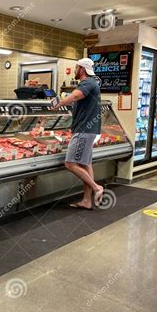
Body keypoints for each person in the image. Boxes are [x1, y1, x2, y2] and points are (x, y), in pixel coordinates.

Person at [53, 58, 104, 209]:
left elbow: (75, 96)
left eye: (76, 68)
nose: (74, 70)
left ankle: (96, 188)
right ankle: (87, 201)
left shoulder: (87, 82)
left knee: (70, 163)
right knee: (85, 164)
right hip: (88, 130)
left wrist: (59, 103)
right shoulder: (93, 83)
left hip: (84, 130)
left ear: (81, 69)